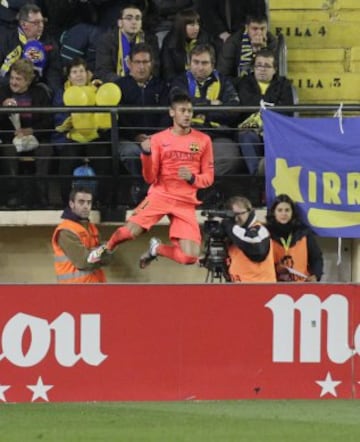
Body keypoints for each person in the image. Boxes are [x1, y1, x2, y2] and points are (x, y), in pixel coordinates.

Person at [87, 91, 214, 269]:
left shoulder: (203, 140)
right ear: (172, 113)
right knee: (129, 233)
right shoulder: (157, 139)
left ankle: (156, 249)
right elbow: (149, 177)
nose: (187, 115)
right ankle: (107, 247)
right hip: (160, 195)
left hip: (185, 202)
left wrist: (193, 178)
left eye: (190, 111)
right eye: (182, 110)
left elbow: (208, 178)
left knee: (189, 257)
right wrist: (146, 154)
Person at [171, 43, 243, 177]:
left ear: (213, 64)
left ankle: (206, 187)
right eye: (196, 62)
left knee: (230, 158)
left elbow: (233, 110)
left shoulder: (224, 82)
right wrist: (211, 104)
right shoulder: (180, 81)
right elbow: (179, 103)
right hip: (187, 133)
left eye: (204, 63)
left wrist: (205, 114)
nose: (199, 67)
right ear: (189, 63)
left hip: (217, 135)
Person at [114, 42, 169, 205]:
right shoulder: (119, 86)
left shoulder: (162, 86)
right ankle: (142, 190)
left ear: (151, 64)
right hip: (128, 138)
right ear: (129, 63)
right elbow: (119, 119)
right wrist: (135, 136)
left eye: (145, 62)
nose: (141, 67)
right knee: (131, 153)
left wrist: (155, 137)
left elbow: (167, 115)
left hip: (157, 138)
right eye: (137, 62)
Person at [52, 57, 112, 206]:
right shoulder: (62, 93)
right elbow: (59, 118)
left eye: (81, 71)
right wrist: (67, 123)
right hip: (72, 138)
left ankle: (104, 202)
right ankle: (67, 202)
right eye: (74, 72)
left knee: (104, 162)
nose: (78, 75)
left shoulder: (96, 89)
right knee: (66, 163)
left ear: (87, 73)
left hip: (94, 137)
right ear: (69, 76)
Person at [0, 58, 53, 208]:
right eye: (12, 78)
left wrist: (32, 130)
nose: (14, 82)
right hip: (11, 139)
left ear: (28, 81)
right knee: (7, 151)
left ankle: (42, 198)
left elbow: (49, 121)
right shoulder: (2, 92)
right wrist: (2, 109)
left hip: (36, 137)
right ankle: (13, 197)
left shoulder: (40, 93)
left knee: (46, 150)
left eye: (18, 79)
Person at [236, 49, 294, 175]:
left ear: (275, 69)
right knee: (245, 136)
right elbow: (246, 105)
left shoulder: (284, 85)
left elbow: (287, 111)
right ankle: (257, 175)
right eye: (259, 65)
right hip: (251, 131)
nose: (262, 69)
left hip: (275, 130)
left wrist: (260, 105)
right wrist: (271, 105)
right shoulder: (244, 83)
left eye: (267, 66)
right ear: (253, 67)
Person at [52, 186, 111, 283]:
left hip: (95, 287)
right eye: (81, 202)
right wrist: (105, 249)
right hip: (74, 291)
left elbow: (108, 259)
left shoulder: (92, 228)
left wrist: (99, 252)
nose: (86, 206)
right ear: (71, 204)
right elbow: (83, 262)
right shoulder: (66, 231)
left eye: (89, 202)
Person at [0, 3, 62, 94]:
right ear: (23, 24)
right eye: (36, 22)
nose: (41, 25)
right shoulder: (5, 39)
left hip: (36, 90)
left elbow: (53, 75)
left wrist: (56, 97)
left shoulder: (49, 43)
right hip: (6, 87)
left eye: (42, 21)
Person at [94, 3, 159, 83]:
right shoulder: (106, 40)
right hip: (116, 85)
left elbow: (155, 68)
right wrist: (126, 82)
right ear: (120, 23)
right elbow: (103, 71)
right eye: (129, 18)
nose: (134, 22)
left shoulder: (150, 40)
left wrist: (141, 79)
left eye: (137, 18)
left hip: (143, 84)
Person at [266, 194, 323, 282]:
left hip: (301, 284)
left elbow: (316, 257)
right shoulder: (265, 233)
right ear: (273, 212)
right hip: (273, 284)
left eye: (287, 210)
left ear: (292, 213)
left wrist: (316, 275)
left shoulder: (304, 232)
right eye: (280, 210)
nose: (283, 214)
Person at [221, 195, 276, 283]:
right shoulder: (235, 235)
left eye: (239, 214)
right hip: (239, 289)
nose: (236, 218)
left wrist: (229, 226)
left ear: (250, 212)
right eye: (232, 215)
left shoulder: (260, 230)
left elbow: (255, 247)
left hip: (262, 289)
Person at [217, 14, 278, 80]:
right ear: (247, 28)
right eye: (255, 29)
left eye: (262, 29)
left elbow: (275, 73)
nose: (259, 33)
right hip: (238, 85)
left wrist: (263, 50)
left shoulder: (272, 42)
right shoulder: (233, 42)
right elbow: (223, 75)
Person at [160, 8, 212, 82]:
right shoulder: (170, 42)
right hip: (178, 84)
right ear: (181, 26)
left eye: (198, 24)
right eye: (192, 25)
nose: (196, 28)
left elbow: (211, 67)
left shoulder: (205, 39)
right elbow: (168, 72)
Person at [197, 0, 266, 48]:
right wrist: (222, 33)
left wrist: (254, 33)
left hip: (249, 34)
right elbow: (207, 12)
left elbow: (260, 14)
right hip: (218, 36)